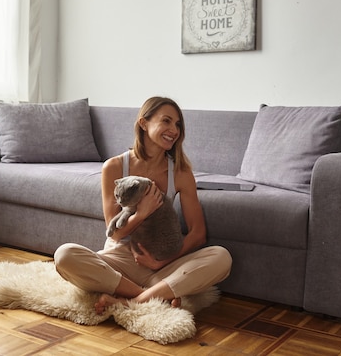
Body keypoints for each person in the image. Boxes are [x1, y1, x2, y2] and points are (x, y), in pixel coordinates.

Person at [54, 96, 232, 314]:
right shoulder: (115, 167)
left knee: (221, 257)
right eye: (166, 121)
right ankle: (155, 295)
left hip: (163, 264)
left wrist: (161, 262)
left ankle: (132, 301)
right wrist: (142, 213)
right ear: (144, 123)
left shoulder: (181, 172)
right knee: (64, 256)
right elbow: (115, 233)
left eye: (177, 124)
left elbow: (198, 233)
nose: (174, 130)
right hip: (119, 260)